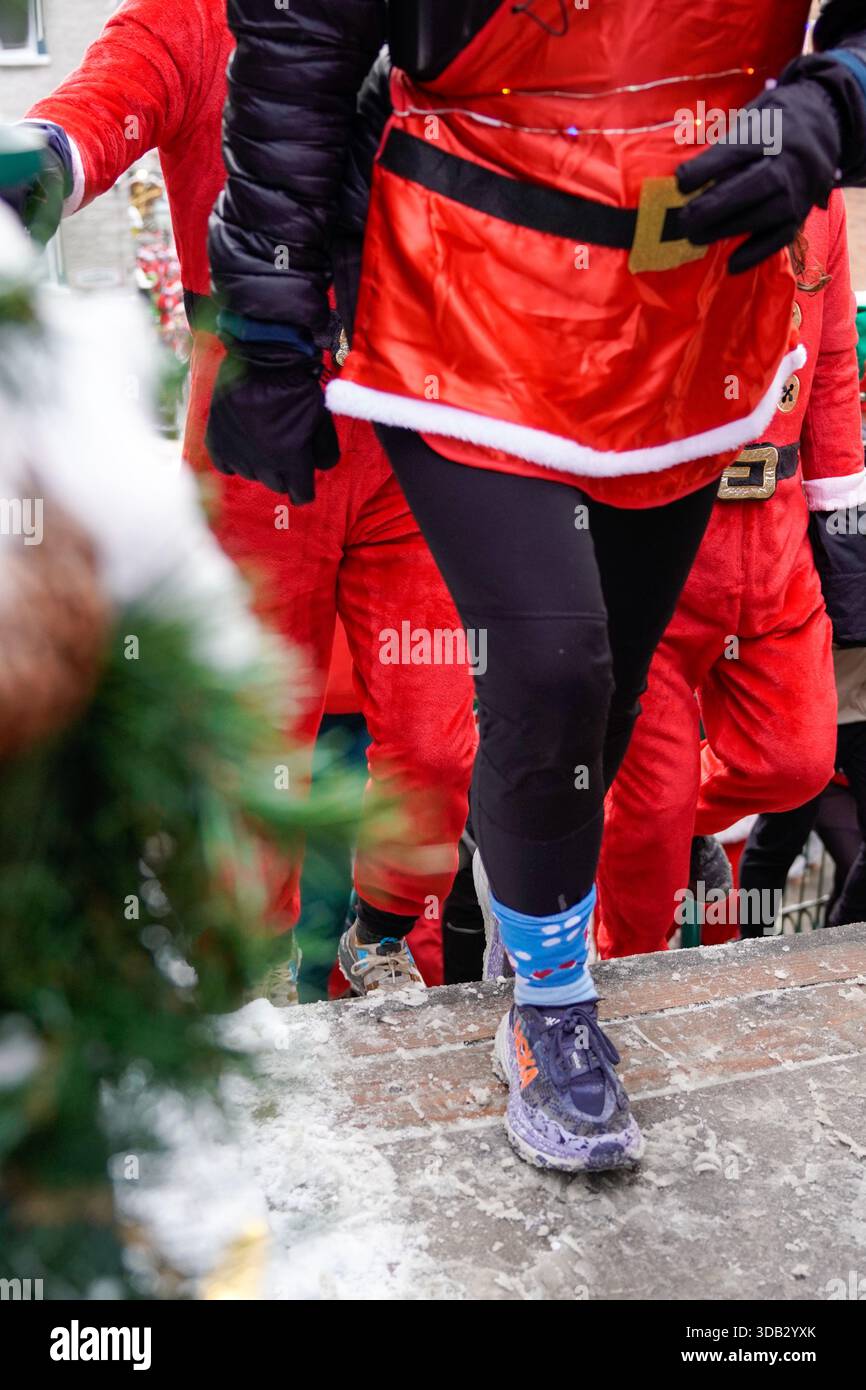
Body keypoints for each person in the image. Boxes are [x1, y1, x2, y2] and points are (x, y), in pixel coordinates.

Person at [207, 2, 866, 1172]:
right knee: (558, 664)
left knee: (596, 704)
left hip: (689, 311)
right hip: (462, 287)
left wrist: (840, 92)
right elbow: (297, 48)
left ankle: (522, 909)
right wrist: (267, 325)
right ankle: (551, 1005)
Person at [4, 0, 477, 997]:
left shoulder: (428, 18)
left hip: (415, 413)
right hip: (257, 431)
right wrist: (36, 164)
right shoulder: (187, 22)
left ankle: (388, 939)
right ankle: (248, 979)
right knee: (261, 736)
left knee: (436, 741)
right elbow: (97, 114)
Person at [596, 197, 866, 957]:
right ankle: (623, 988)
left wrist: (842, 517)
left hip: (776, 534)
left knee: (799, 759)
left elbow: (836, 361)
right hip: (661, 531)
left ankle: (663, 824)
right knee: (645, 841)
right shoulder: (659, 162)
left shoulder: (823, 195)